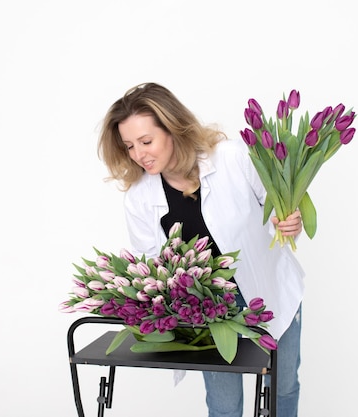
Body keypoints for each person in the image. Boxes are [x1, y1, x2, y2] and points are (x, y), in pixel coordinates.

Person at [97, 82, 305, 417]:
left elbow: (275, 207)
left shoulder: (233, 158)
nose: (139, 154)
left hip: (270, 290)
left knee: (282, 387)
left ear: (173, 128)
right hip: (209, 311)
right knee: (224, 406)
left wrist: (288, 221)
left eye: (146, 141)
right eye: (130, 145)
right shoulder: (139, 197)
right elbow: (153, 266)